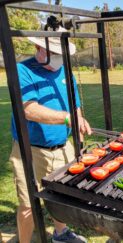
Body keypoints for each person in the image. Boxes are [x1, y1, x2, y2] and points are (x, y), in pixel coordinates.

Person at [9, 27, 91, 243]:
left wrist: (78, 136)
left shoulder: (65, 71)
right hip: (30, 150)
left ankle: (61, 234)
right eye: (54, 53)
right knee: (28, 204)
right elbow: (28, 109)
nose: (58, 58)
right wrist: (66, 118)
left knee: (60, 196)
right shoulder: (23, 70)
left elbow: (75, 106)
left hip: (63, 146)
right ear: (39, 48)